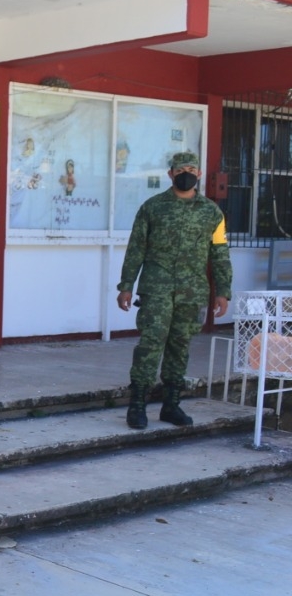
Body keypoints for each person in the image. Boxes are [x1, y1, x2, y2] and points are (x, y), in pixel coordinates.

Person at [117, 151, 231, 430]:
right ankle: (138, 405)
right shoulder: (152, 207)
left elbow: (220, 253)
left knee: (180, 346)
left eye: (191, 169)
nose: (186, 174)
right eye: (180, 170)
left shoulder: (212, 212)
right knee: (150, 344)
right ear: (171, 174)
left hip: (192, 291)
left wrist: (223, 291)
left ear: (200, 174)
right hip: (157, 287)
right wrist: (126, 286)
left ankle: (171, 405)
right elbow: (136, 249)